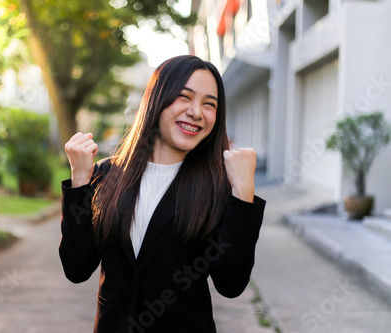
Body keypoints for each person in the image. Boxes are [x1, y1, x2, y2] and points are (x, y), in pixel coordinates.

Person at [60, 55, 266, 333]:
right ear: (157, 99)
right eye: (185, 97)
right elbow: (76, 268)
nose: (196, 112)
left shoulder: (217, 186)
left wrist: (243, 194)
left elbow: (230, 284)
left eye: (209, 104)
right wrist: (80, 183)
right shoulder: (106, 174)